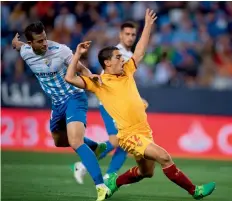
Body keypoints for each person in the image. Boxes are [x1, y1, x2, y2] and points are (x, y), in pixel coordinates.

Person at [65, 9, 215, 200]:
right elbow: (69, 77)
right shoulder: (99, 82)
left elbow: (140, 51)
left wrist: (148, 26)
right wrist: (77, 54)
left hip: (144, 130)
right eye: (118, 57)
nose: (122, 59)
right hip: (129, 135)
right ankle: (195, 191)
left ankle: (114, 183)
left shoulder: (126, 70)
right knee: (164, 157)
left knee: (146, 172)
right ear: (107, 63)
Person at [12, 21, 110, 201]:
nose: (44, 43)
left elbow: (80, 68)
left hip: (74, 97)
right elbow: (17, 45)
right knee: (59, 141)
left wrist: (92, 78)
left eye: (45, 38)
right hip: (56, 103)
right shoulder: (26, 52)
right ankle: (96, 146)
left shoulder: (61, 50)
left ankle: (101, 186)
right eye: (39, 41)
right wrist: (15, 42)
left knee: (75, 141)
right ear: (30, 43)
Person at [73, 21, 149, 184]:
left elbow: (126, 85)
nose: (130, 37)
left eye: (133, 35)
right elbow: (107, 82)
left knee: (123, 143)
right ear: (120, 35)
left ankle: (109, 176)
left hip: (120, 104)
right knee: (117, 140)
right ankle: (85, 164)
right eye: (127, 34)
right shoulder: (115, 54)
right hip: (110, 105)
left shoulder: (123, 54)